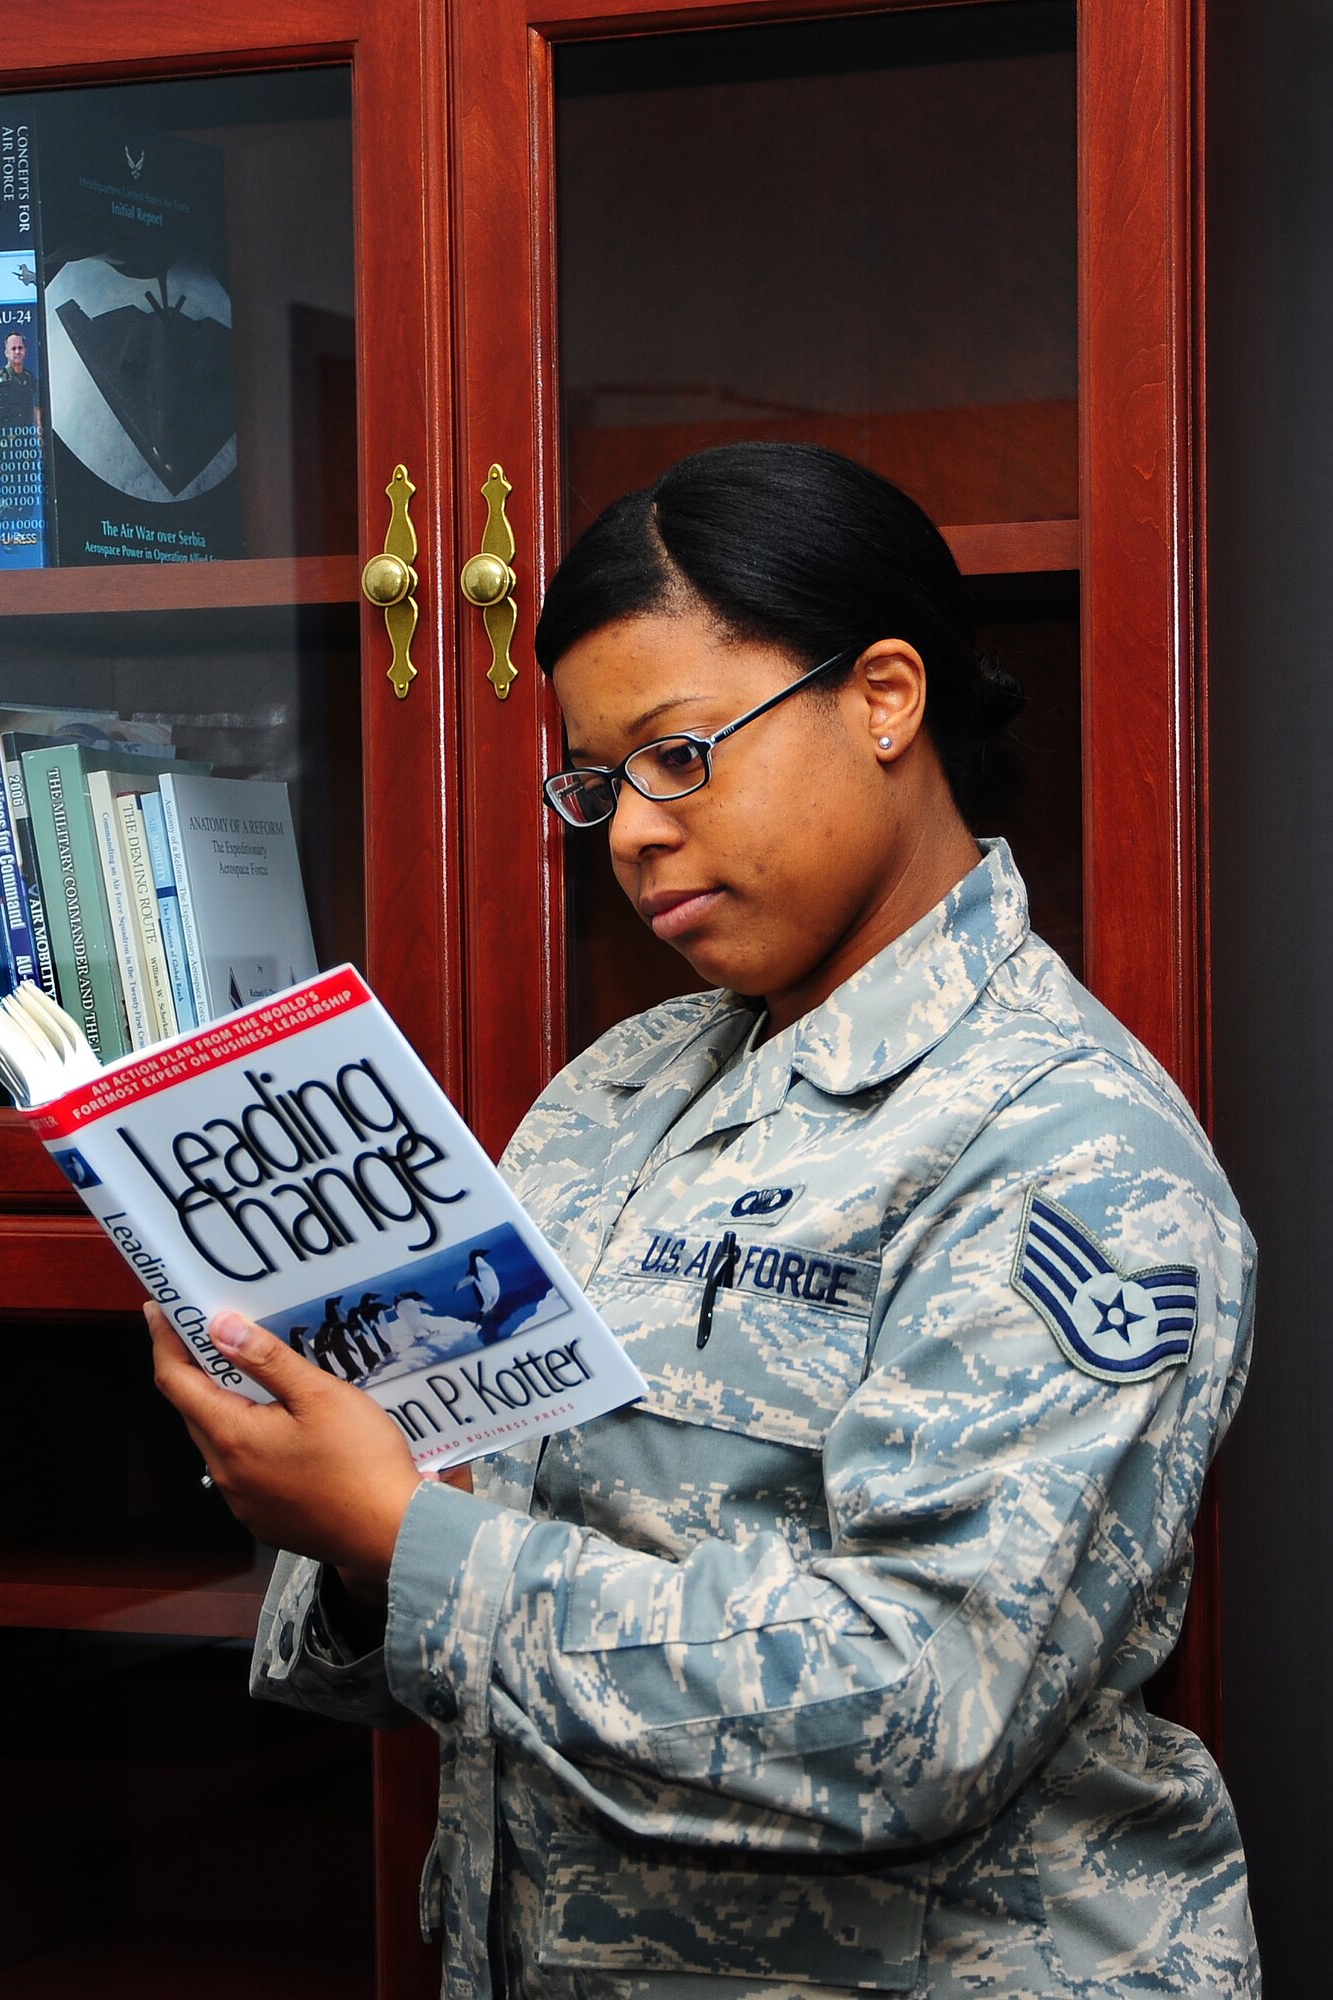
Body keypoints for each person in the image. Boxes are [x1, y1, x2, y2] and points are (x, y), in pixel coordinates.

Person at [148, 442, 1259, 1997]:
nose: (629, 833)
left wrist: (404, 1535)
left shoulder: (1071, 1148)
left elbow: (919, 1711)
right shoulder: (615, 1089)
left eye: (677, 756)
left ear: (883, 698)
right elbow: (445, 1565)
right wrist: (342, 1517)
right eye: (599, 784)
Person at [0, 329, 42, 437]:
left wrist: (39, 433)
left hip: (25, 438)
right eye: (13, 349)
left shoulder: (30, 378)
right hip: (4, 439)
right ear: (6, 353)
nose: (17, 352)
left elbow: (36, 408)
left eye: (20, 348)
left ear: (25, 351)